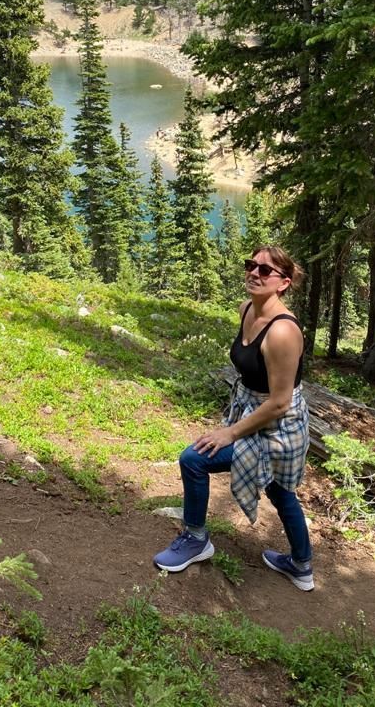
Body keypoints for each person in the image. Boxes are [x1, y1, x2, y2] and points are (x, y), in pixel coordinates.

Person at [153, 245, 313, 591]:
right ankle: (301, 565)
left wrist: (230, 433)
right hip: (254, 412)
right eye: (251, 265)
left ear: (283, 283)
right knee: (279, 490)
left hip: (280, 426)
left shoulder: (284, 332)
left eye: (265, 270)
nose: (254, 273)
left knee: (194, 459)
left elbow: (280, 402)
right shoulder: (246, 310)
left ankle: (196, 539)